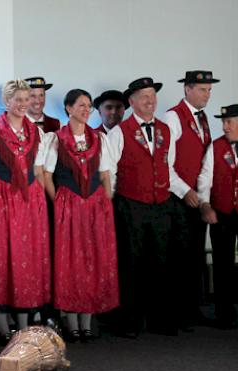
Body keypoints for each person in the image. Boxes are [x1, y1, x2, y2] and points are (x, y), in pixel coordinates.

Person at [0, 79, 51, 342]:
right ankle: (1, 320)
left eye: (26, 99)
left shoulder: (37, 132)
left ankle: (25, 318)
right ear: (6, 102)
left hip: (30, 201)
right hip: (2, 198)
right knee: (3, 257)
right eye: (17, 100)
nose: (22, 105)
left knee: (27, 259)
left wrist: (40, 202)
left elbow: (39, 171)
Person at [42, 89, 119, 342]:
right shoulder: (56, 139)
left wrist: (105, 201)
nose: (86, 110)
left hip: (96, 208)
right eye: (81, 105)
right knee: (71, 262)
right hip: (70, 208)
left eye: (88, 106)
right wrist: (60, 202)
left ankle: (87, 322)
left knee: (92, 261)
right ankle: (71, 322)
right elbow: (46, 175)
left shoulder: (99, 139)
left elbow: (106, 174)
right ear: (68, 108)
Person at [106, 77, 178, 337]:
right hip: (131, 205)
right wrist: (115, 206)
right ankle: (130, 322)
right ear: (132, 102)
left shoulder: (165, 130)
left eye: (153, 96)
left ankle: (160, 320)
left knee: (160, 262)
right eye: (145, 97)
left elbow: (167, 165)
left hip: (161, 204)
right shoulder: (118, 132)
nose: (151, 101)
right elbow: (110, 172)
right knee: (132, 264)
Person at [163, 70, 219, 331]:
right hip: (179, 198)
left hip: (199, 197)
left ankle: (193, 309)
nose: (206, 94)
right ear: (187, 89)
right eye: (201, 89)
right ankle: (177, 313)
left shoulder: (204, 118)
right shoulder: (173, 117)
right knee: (180, 257)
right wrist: (185, 190)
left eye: (208, 90)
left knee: (196, 255)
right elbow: (166, 162)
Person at [198, 104, 238, 329]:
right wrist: (205, 204)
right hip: (222, 212)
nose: (224, 126)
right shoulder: (215, 146)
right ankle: (225, 314)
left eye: (229, 122)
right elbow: (205, 178)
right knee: (223, 264)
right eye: (223, 122)